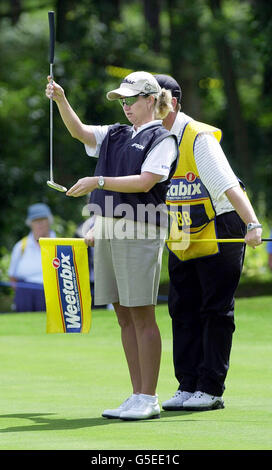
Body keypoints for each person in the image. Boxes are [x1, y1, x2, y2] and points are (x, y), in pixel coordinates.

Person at [45, 71, 179, 421]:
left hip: (140, 229)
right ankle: (136, 394)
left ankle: (149, 396)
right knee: (122, 316)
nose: (126, 106)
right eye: (122, 100)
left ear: (150, 99)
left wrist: (98, 180)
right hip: (106, 228)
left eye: (131, 100)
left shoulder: (162, 138)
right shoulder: (115, 134)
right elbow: (79, 132)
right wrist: (61, 99)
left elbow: (146, 181)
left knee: (141, 313)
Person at [154, 74, 262, 411]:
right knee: (182, 308)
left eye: (146, 99)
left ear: (169, 101)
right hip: (183, 231)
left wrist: (252, 223)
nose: (134, 107)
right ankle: (187, 385)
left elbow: (228, 185)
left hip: (222, 226)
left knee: (214, 310)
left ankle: (210, 388)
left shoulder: (197, 136)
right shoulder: (153, 141)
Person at [8, 203, 56, 312]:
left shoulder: (60, 244)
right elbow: (12, 276)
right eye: (35, 221)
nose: (39, 224)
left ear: (49, 221)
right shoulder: (21, 246)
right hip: (25, 293)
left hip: (51, 292)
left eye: (43, 220)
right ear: (30, 223)